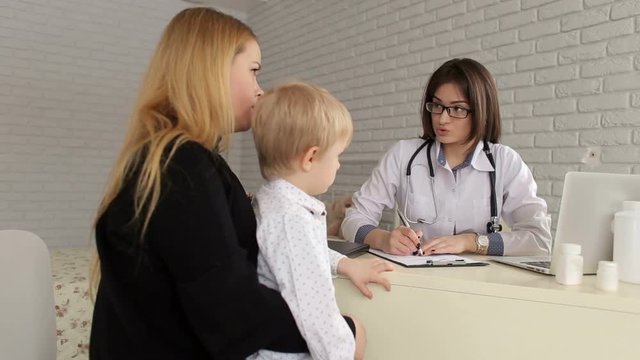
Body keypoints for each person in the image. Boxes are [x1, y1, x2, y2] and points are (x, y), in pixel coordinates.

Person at [89, 8, 311, 359]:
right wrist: (338, 330)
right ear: (213, 70)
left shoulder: (165, 159)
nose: (259, 90)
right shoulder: (181, 167)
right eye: (253, 72)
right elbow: (233, 311)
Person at [341, 58, 552, 257]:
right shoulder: (403, 154)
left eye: (457, 109)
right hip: (417, 276)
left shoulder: (505, 162)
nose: (442, 118)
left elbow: (539, 240)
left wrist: (471, 242)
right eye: (437, 106)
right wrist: (383, 238)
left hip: (480, 283)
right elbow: (353, 219)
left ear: (481, 111)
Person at [249, 82, 393, 360]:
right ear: (311, 157)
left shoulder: (277, 203)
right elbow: (314, 311)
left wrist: (345, 264)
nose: (338, 165)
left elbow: (306, 254)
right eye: (337, 155)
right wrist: (343, 353)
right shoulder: (290, 218)